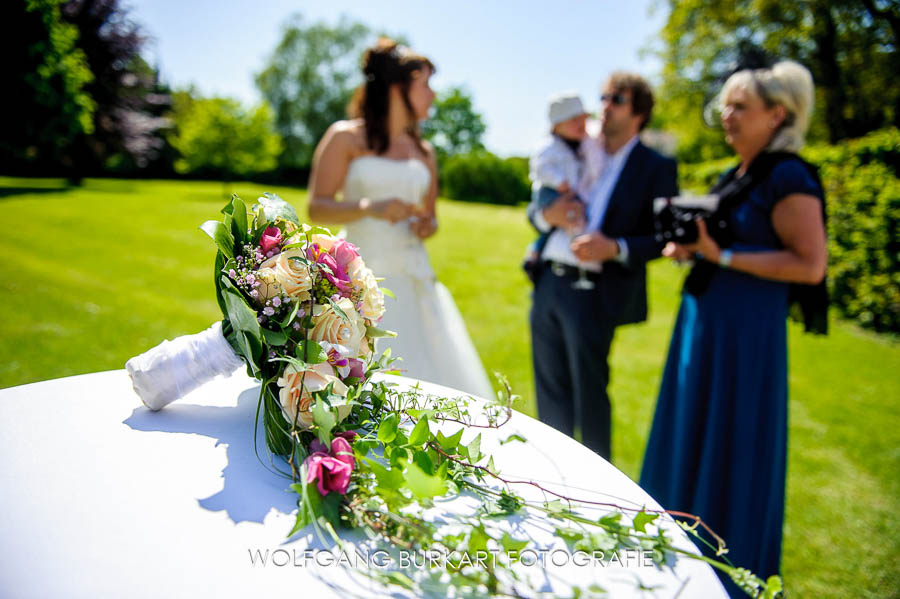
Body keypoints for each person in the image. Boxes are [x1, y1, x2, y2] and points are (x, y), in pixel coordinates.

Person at [639, 61, 827, 595]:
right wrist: (695, 250)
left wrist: (721, 255)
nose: (727, 114)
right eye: (725, 104)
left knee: (733, 447)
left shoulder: (789, 175)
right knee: (692, 438)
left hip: (744, 343)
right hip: (709, 331)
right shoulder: (739, 173)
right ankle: (674, 557)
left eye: (740, 105)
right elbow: (723, 249)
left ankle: (726, 577)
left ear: (777, 114)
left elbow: (810, 265)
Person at [306, 38, 493, 399]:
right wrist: (369, 207)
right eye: (426, 84)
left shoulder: (425, 152)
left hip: (414, 275)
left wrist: (427, 225)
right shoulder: (345, 137)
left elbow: (431, 219)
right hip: (358, 277)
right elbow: (318, 206)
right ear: (398, 87)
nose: (433, 95)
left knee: (426, 378)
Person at [528, 72, 678, 460]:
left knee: (590, 396)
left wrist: (615, 247)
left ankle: (596, 500)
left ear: (639, 113)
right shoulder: (575, 145)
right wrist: (549, 215)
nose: (604, 106)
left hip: (596, 293)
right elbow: (535, 207)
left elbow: (664, 236)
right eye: (604, 97)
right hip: (548, 283)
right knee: (548, 392)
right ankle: (546, 480)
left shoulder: (655, 166)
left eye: (617, 99)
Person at [523, 92, 592, 277]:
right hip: (550, 192)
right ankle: (534, 254)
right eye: (574, 120)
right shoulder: (549, 146)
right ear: (557, 124)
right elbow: (540, 168)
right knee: (555, 225)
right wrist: (558, 181)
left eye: (583, 119)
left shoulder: (581, 146)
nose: (581, 124)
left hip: (564, 192)